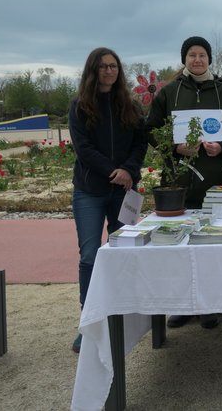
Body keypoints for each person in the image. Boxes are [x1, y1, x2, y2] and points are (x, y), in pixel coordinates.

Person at [146, 35, 222, 330]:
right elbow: (151, 129)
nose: (197, 60)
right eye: (192, 55)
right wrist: (175, 148)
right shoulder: (169, 93)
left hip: (215, 181)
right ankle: (183, 304)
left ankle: (212, 304)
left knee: (214, 245)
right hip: (179, 181)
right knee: (179, 244)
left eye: (202, 55)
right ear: (184, 59)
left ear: (209, 59)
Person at [68, 47, 148, 353]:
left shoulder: (131, 106)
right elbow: (83, 148)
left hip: (124, 193)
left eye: (113, 66)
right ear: (92, 70)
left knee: (123, 252)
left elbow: (140, 144)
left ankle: (120, 316)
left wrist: (128, 170)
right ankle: (89, 323)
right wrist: (112, 171)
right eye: (102, 67)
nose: (109, 71)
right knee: (90, 256)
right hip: (90, 191)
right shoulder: (80, 106)